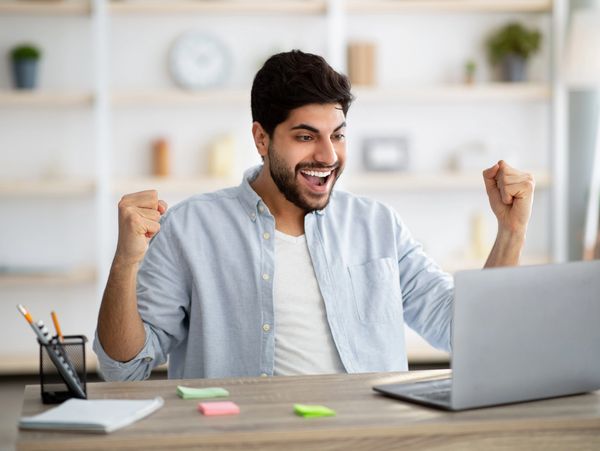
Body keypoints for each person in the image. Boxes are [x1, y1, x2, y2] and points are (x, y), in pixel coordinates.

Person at [94, 50, 535, 381]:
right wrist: (125, 262)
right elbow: (125, 369)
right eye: (306, 136)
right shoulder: (190, 228)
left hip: (367, 438)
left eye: (338, 135)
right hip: (240, 440)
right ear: (261, 138)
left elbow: (468, 331)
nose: (328, 155)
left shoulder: (377, 225)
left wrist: (510, 232)